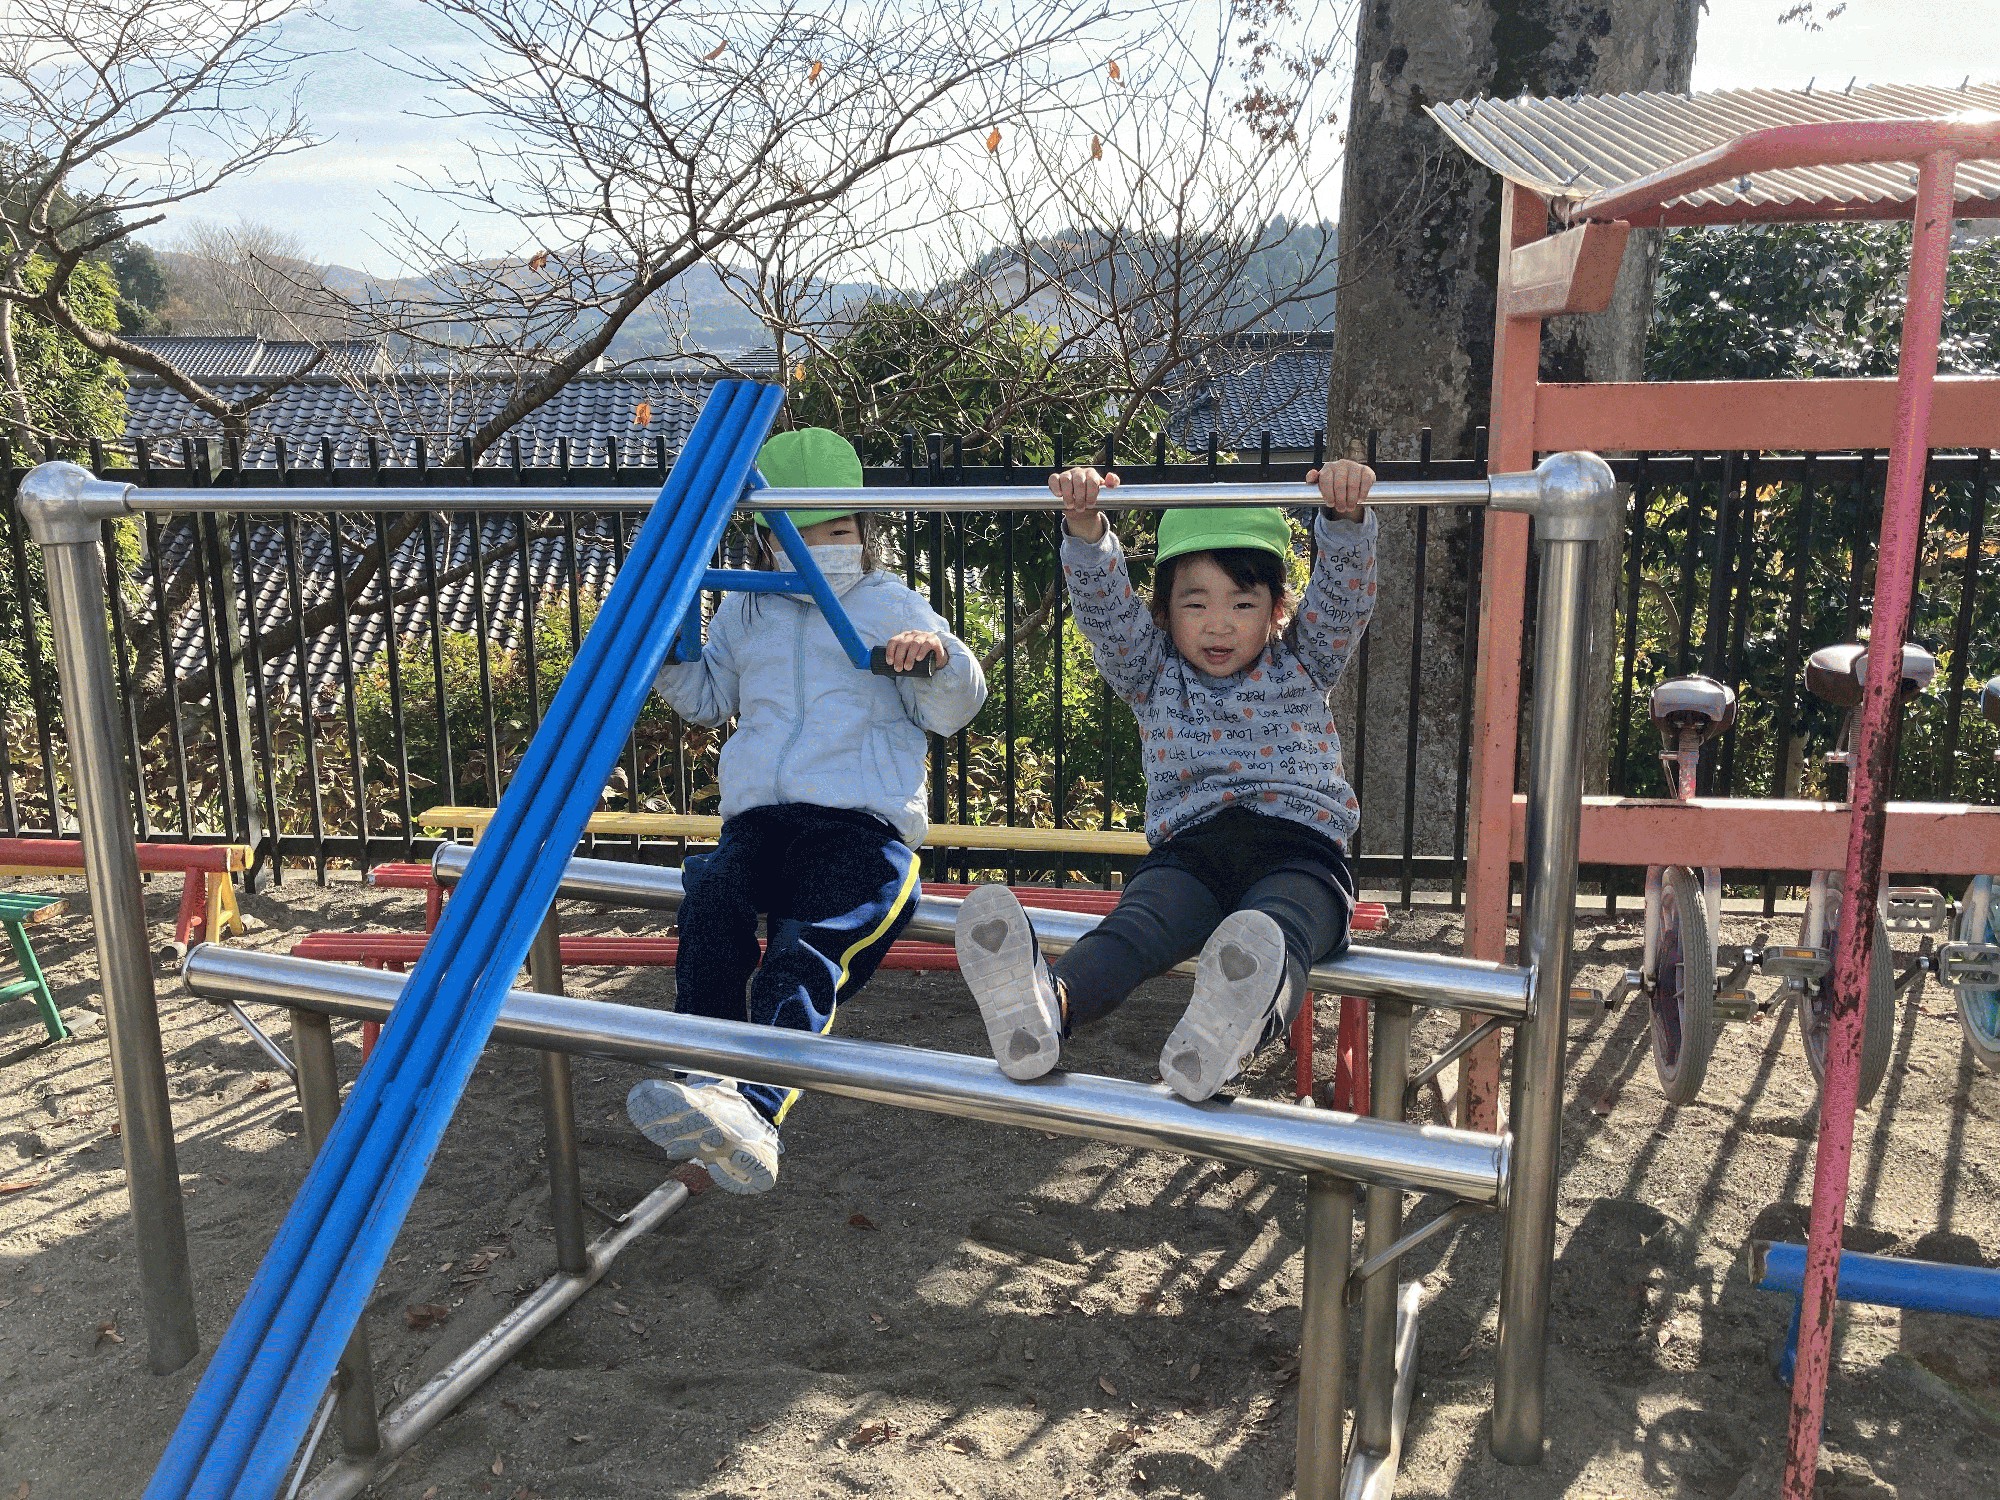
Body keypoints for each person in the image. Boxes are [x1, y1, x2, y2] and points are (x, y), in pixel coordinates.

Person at [628, 427, 987, 1192]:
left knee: (806, 949)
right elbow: (708, 700)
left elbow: (955, 707)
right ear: (767, 541)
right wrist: (669, 653)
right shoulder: (744, 609)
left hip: (858, 823)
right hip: (759, 820)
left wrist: (936, 659)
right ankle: (705, 1076)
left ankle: (755, 1108)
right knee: (711, 906)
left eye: (839, 530)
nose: (823, 549)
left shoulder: (888, 604)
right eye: (800, 534)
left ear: (865, 532)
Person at [955, 458, 1376, 1100]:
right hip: (1191, 855)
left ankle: (1229, 1032)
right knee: (1135, 928)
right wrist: (1086, 529)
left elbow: (1343, 601)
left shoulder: (1303, 661)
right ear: (1164, 610)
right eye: (1195, 603)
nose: (1218, 623)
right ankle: (1047, 1007)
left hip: (1300, 852)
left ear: (1275, 611)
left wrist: (1344, 520)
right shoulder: (1152, 673)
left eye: (1243, 604)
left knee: (1278, 932)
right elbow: (1105, 612)